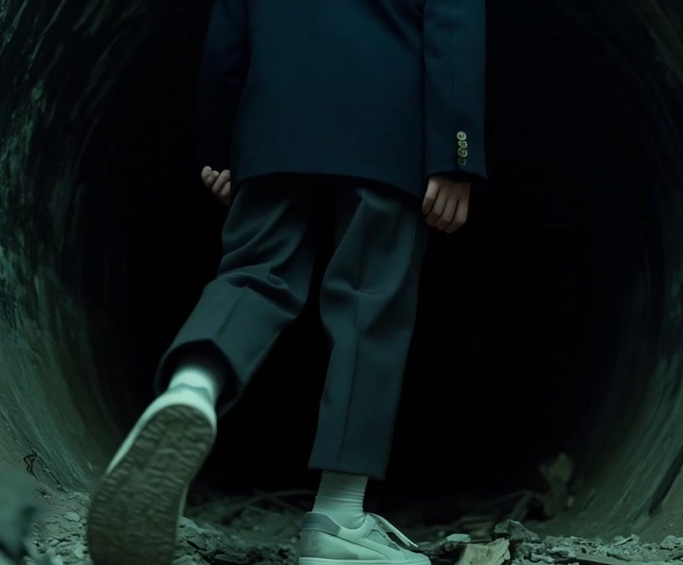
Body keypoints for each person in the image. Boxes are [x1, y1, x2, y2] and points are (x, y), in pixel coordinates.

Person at [85, 1, 487, 564]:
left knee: (253, 274)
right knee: (370, 305)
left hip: (273, 124)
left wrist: (222, 148)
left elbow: (226, 38)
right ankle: (339, 518)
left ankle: (191, 390)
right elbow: (453, 22)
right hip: (386, 126)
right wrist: (456, 151)